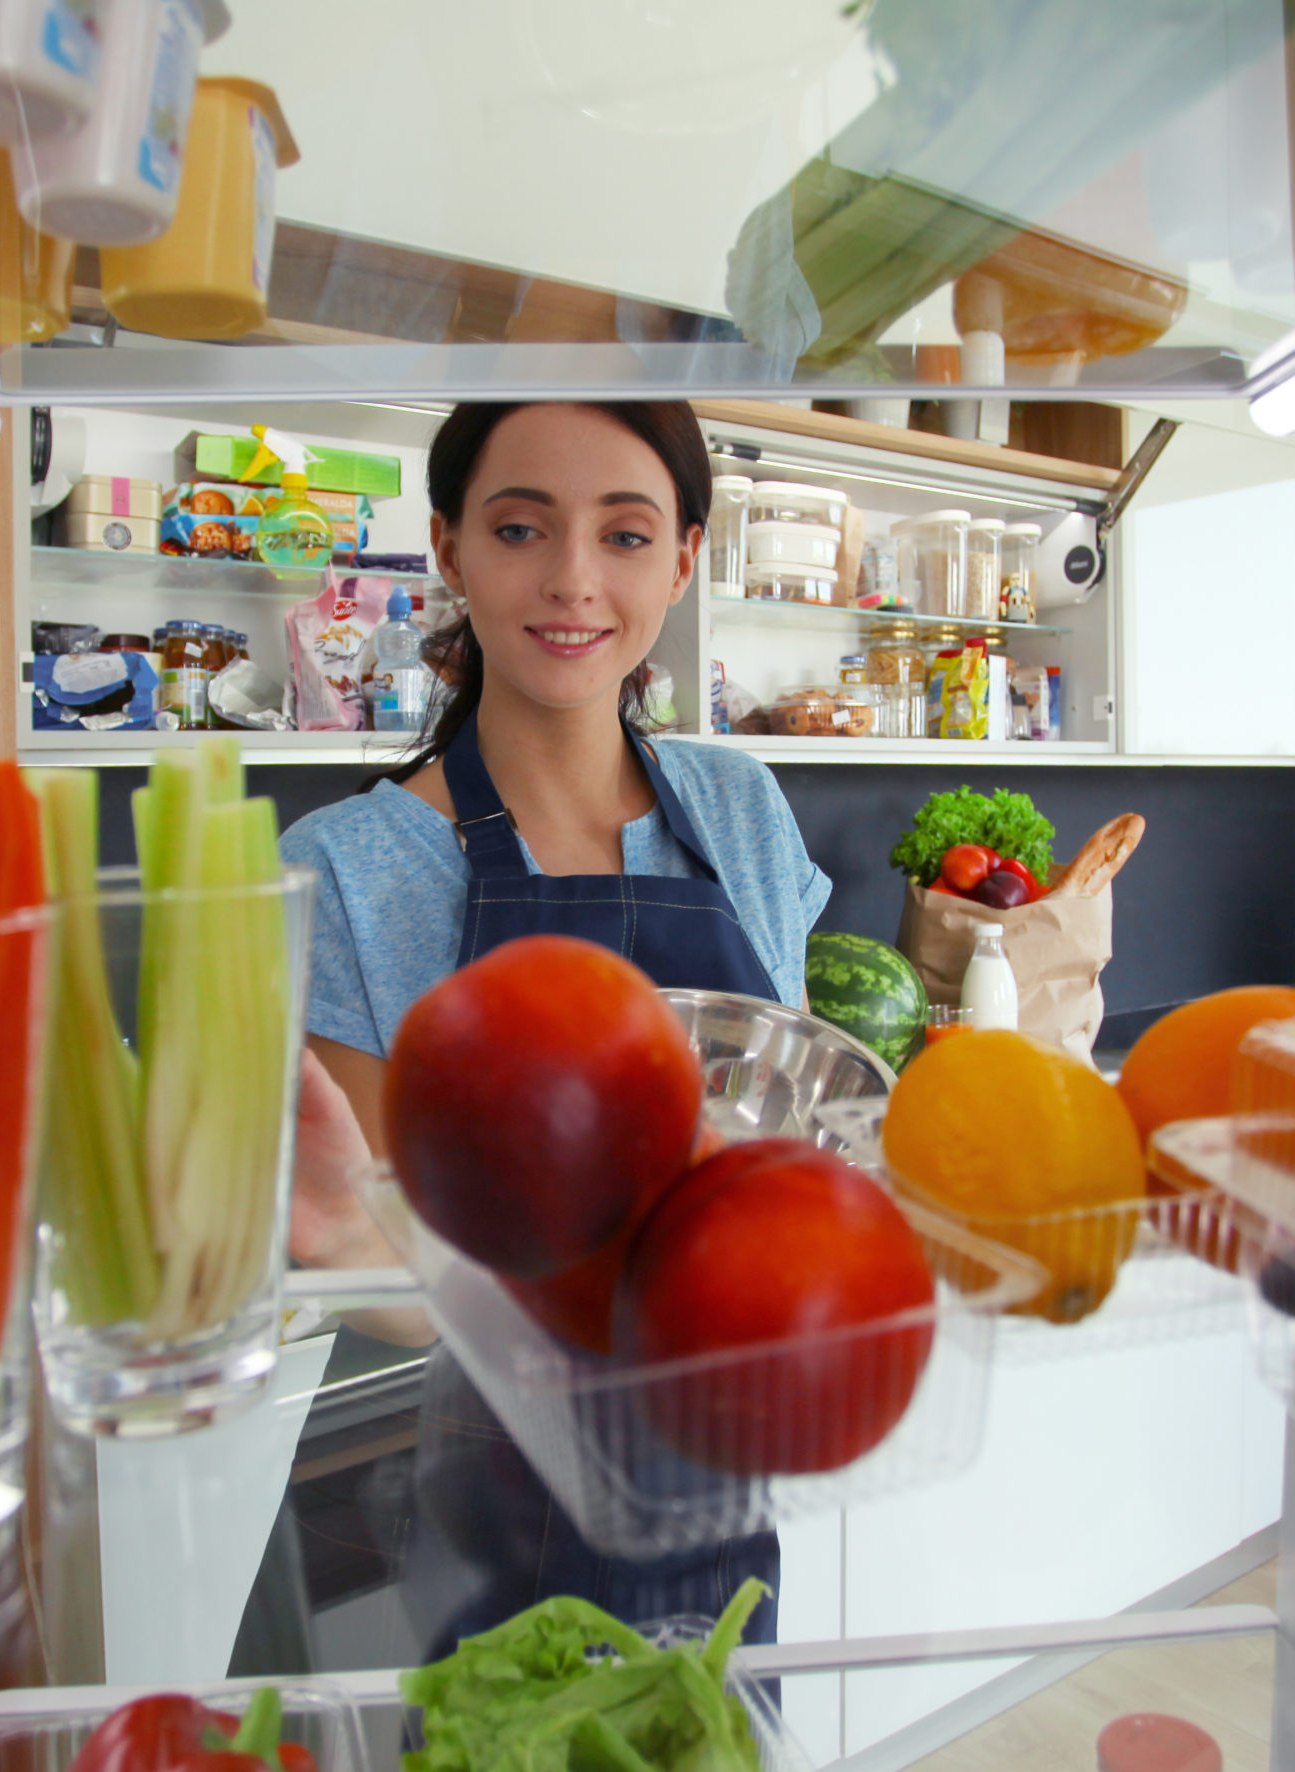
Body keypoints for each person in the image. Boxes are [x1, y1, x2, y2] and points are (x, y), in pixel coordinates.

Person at [278, 400, 831, 1656]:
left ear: (684, 560)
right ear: (450, 546)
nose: (573, 581)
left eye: (626, 535)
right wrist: (331, 1241)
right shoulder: (347, 868)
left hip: (717, 1489)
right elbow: (398, 1281)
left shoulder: (741, 813)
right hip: (470, 1506)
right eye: (520, 527)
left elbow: (771, 1170)